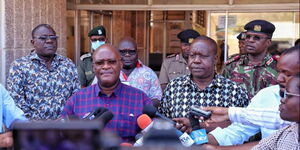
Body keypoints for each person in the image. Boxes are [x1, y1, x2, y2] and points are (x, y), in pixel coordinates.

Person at [204, 45, 299, 149]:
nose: (279, 78)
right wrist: (199, 141)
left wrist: (230, 113)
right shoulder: (267, 95)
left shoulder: (288, 132)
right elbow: (240, 130)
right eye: (279, 71)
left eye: (288, 74)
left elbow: (279, 120)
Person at [61, 44, 153, 143]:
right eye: (100, 63)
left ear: (121, 64)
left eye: (111, 62)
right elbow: (62, 136)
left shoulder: (140, 98)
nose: (106, 66)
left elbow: (152, 138)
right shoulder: (77, 99)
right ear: (93, 67)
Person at [159, 36, 249, 132]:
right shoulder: (173, 87)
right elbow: (162, 122)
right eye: (192, 56)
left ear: (215, 59)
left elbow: (244, 126)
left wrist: (199, 126)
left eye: (203, 56)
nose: (196, 60)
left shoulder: (234, 91)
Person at [6, 24, 80, 120]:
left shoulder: (67, 64)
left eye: (53, 38)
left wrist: (64, 119)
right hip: (33, 130)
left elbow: (76, 96)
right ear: (33, 42)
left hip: (64, 128)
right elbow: (16, 101)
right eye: (43, 38)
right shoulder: (19, 66)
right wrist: (39, 124)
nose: (49, 41)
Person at [223, 20, 278, 99]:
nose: (250, 40)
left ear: (268, 42)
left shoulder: (278, 66)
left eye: (257, 38)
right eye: (248, 36)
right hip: (238, 111)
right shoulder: (231, 65)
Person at [117, 37, 162, 107]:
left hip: (141, 115)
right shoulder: (109, 72)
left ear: (137, 53)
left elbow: (158, 99)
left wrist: (141, 106)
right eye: (123, 52)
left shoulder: (149, 74)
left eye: (131, 52)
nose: (127, 55)